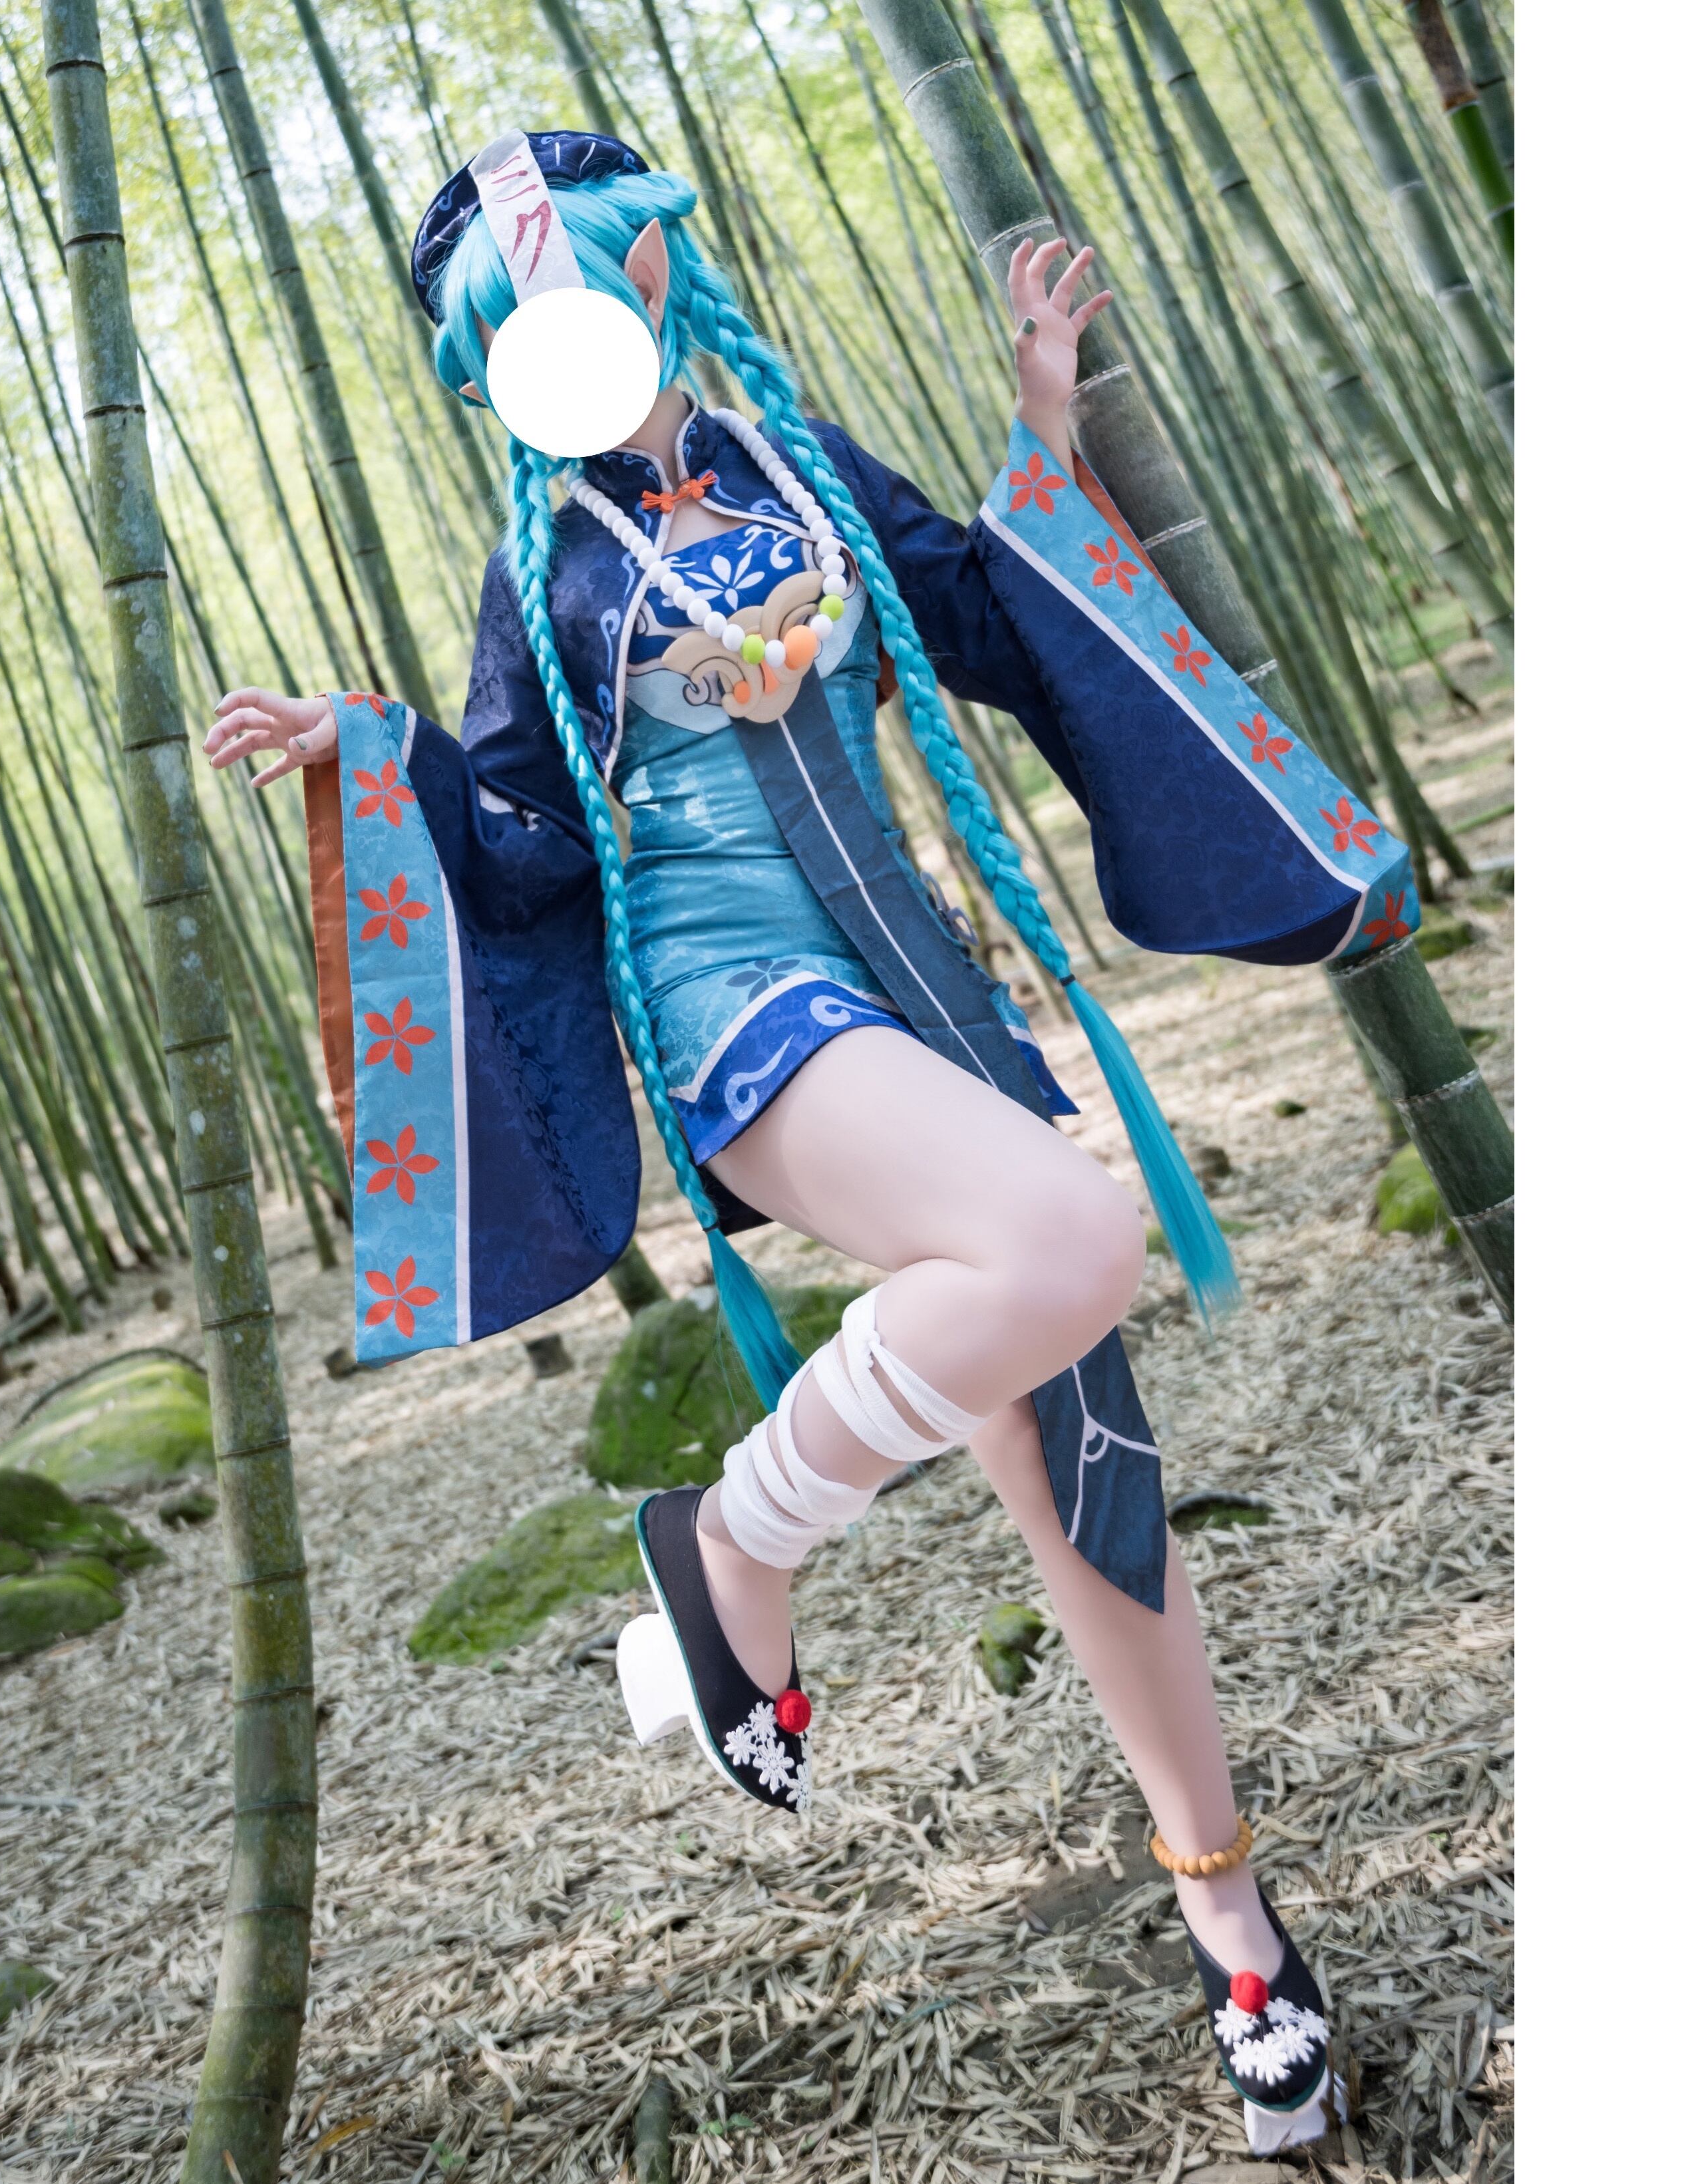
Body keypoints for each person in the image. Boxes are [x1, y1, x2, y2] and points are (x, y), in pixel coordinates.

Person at [203, 132, 1400, 2155]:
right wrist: (377, 750)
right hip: (733, 998)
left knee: (1083, 1453)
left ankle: (1234, 1924)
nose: (562, 335)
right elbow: (523, 843)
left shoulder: (798, 464)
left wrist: (1040, 428)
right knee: (1068, 1242)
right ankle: (734, 1540)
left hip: (918, 981)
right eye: (512, 324)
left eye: (580, 290)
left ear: (654, 278)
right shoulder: (542, 571)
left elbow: (986, 621)